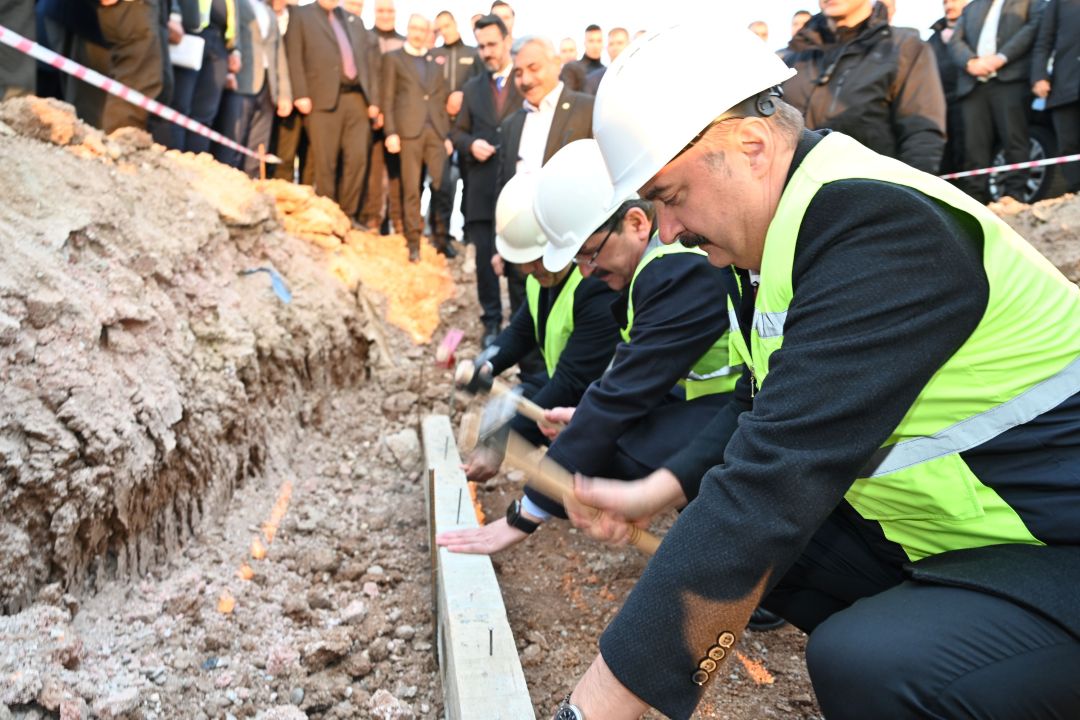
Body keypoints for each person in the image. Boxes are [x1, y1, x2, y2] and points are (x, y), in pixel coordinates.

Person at [546, 23, 1080, 720]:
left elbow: (774, 481)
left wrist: (591, 709)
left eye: (670, 196)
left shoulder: (882, 228)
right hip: (977, 536)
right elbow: (759, 409)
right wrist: (655, 491)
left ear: (752, 146)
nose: (667, 231)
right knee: (748, 545)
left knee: (868, 660)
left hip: (1054, 543)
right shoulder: (779, 237)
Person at [438, 139, 740, 558]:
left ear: (637, 223)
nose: (585, 272)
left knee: (620, 453)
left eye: (590, 255)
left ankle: (747, 561)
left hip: (743, 412)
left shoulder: (677, 272)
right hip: (713, 403)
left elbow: (621, 392)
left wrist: (530, 508)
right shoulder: (650, 270)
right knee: (605, 446)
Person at [438, 171, 620, 535]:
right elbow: (520, 332)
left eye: (536, 260)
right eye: (525, 263)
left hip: (602, 400)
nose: (530, 271)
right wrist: (485, 365)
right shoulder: (544, 280)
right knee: (514, 399)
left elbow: (570, 381)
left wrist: (501, 442)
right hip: (568, 388)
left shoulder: (596, 289)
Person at [494, 36, 593, 324]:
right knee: (526, 328)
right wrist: (498, 244)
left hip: (574, 250)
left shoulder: (586, 109)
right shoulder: (511, 124)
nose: (525, 79)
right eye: (518, 72)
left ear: (556, 63)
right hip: (522, 248)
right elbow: (501, 188)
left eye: (533, 68)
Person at [782, 0, 946, 174]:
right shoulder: (795, 56)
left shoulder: (904, 47)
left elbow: (922, 136)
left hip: (871, 191)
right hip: (794, 192)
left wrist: (903, 196)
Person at [449, 14, 523, 347]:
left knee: (521, 262)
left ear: (508, 41)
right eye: (481, 46)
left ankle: (523, 325)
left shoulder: (525, 84)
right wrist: (469, 145)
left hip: (518, 190)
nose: (487, 52)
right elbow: (457, 133)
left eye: (492, 44)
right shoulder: (471, 88)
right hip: (480, 191)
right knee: (483, 263)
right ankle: (491, 322)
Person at [285, 0, 376, 220]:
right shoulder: (301, 15)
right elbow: (294, 54)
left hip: (356, 98)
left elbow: (366, 61)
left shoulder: (351, 19)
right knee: (325, 163)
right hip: (320, 99)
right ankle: (328, 215)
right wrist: (300, 93)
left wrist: (373, 100)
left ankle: (349, 216)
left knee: (357, 158)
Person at [949, 0, 1044, 201]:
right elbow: (955, 41)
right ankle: (975, 197)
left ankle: (1014, 194)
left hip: (1009, 79)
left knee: (1014, 137)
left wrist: (1001, 57)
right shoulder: (972, 7)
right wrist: (970, 62)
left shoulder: (1029, 2)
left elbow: (1033, 27)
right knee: (974, 146)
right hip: (973, 84)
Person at [381, 14, 452, 262]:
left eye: (423, 29)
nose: (418, 33)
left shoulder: (435, 62)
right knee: (411, 189)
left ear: (428, 33)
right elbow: (387, 99)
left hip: (435, 132)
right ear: (408, 29)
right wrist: (390, 132)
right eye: (414, 28)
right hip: (408, 132)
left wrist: (446, 135)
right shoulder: (393, 59)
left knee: (442, 185)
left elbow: (441, 99)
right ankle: (413, 242)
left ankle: (443, 239)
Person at [213, 0, 293, 176]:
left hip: (267, 87)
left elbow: (278, 54)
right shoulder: (237, 4)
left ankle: (253, 190)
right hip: (242, 82)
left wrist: (284, 93)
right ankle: (225, 184)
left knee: (257, 148)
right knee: (232, 141)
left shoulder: (269, 12)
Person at [428, 10, 482, 257]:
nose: (445, 31)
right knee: (442, 184)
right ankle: (440, 236)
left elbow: (480, 87)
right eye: (439, 29)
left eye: (447, 26)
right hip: (440, 129)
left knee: (470, 186)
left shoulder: (472, 54)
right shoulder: (434, 56)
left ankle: (470, 237)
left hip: (467, 129)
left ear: (455, 25)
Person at [358, 0, 404, 234]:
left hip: (397, 119)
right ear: (374, 12)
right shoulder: (364, 39)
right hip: (370, 115)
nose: (386, 15)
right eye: (381, 11)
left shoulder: (403, 43)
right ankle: (372, 219)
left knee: (396, 173)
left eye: (390, 11)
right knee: (372, 170)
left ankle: (397, 221)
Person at [1031, 0, 1080, 193]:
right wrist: (1039, 76)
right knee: (1068, 143)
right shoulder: (1059, 3)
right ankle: (1076, 191)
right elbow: (1044, 41)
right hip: (1064, 83)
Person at [929, 0, 972, 175]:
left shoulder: (974, 32)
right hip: (939, 106)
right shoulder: (933, 39)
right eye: (945, 2)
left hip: (967, 101)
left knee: (968, 150)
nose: (949, 6)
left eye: (954, 1)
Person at [582, 27, 629, 96]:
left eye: (620, 43)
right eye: (611, 44)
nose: (615, 48)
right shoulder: (592, 81)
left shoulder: (640, 75)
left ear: (629, 45)